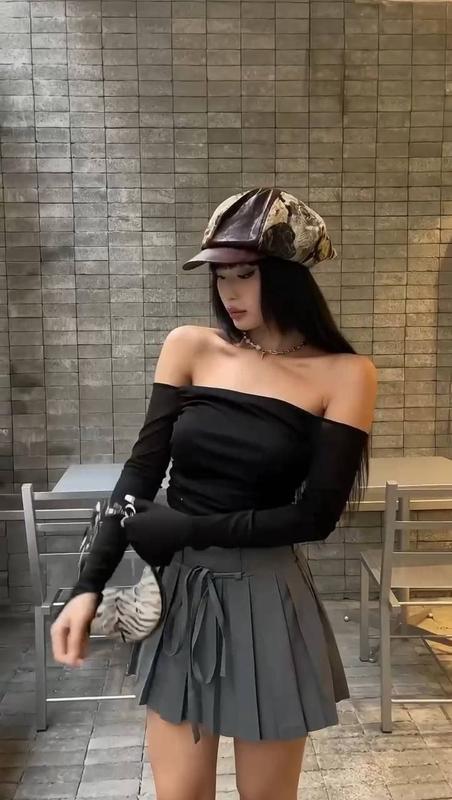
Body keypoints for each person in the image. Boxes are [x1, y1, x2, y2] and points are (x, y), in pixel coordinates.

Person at [51, 188, 377, 800]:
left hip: (268, 595)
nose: (229, 291)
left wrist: (190, 528)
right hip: (180, 591)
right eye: (220, 275)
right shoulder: (190, 346)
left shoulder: (346, 374)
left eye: (245, 274)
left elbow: (316, 516)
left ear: (288, 277)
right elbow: (140, 474)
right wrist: (87, 585)